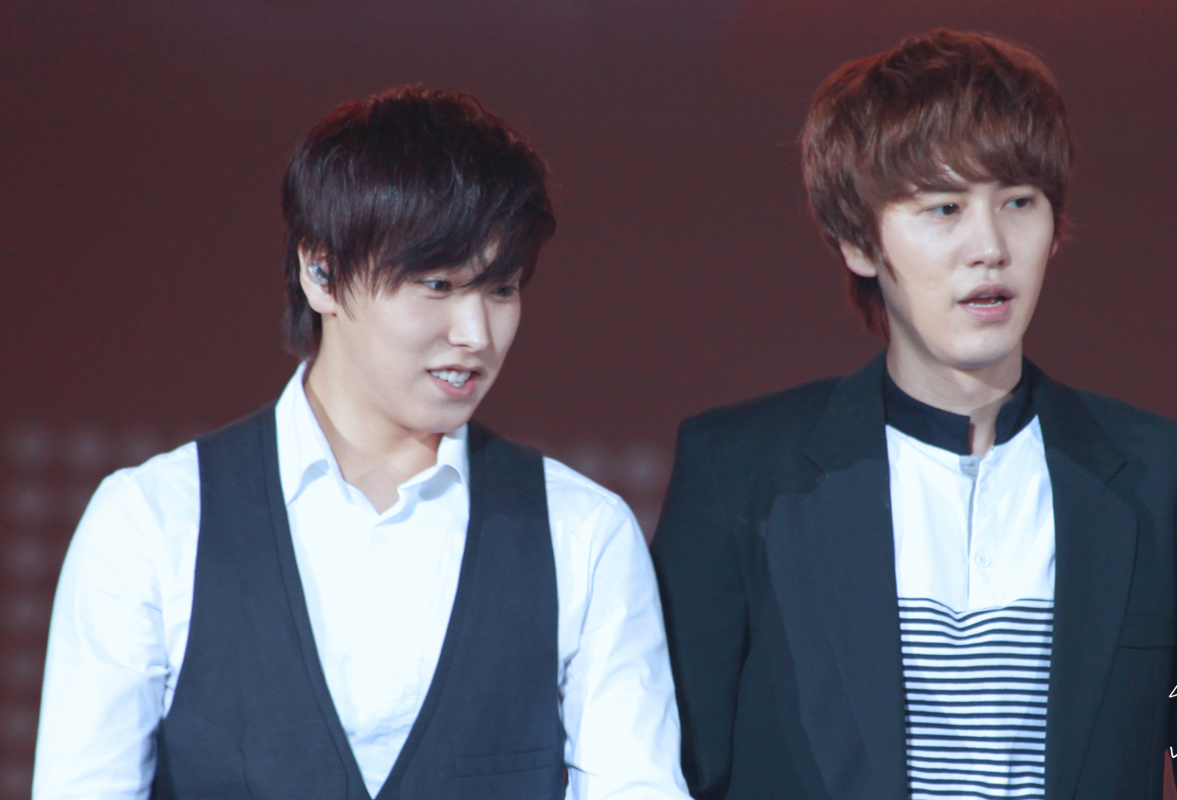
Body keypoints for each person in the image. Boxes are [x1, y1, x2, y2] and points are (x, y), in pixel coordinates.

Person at [650, 29, 1177, 800]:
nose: (989, 247)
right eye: (944, 208)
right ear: (857, 241)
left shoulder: (1167, 482)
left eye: (1018, 202)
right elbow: (670, 774)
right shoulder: (740, 477)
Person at [34, 86, 689, 800]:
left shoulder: (582, 533)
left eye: (501, 290)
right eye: (437, 284)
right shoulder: (152, 522)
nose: (475, 333)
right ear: (321, 273)